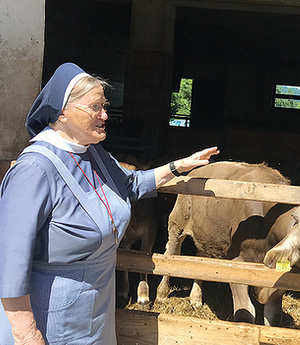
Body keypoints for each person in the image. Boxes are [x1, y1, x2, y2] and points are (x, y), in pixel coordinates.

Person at [0, 62, 219, 344]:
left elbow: (131, 184)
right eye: (95, 107)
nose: (105, 115)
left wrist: (179, 166)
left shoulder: (93, 154)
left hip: (97, 312)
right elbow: (9, 262)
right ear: (63, 112)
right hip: (54, 317)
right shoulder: (35, 170)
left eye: (104, 106)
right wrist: (26, 334)